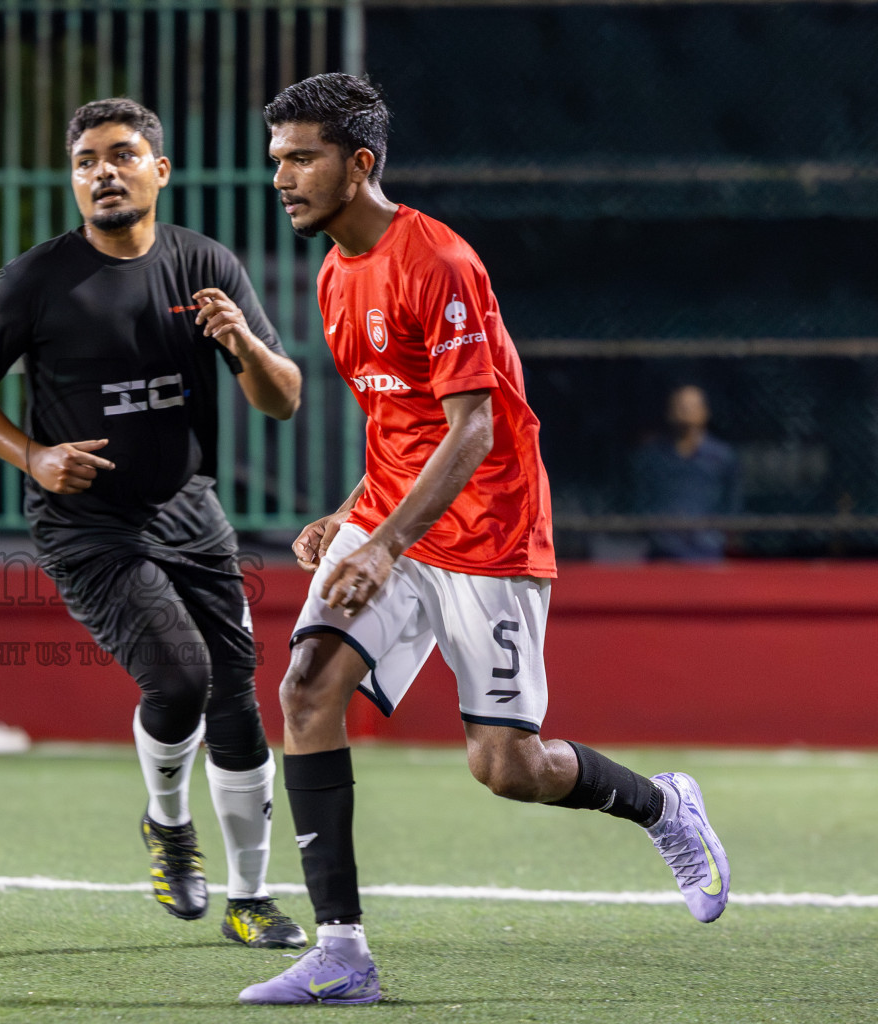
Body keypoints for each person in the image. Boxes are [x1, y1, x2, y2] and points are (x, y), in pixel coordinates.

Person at [239, 74, 731, 1005]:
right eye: (277, 160)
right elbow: (402, 425)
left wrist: (381, 544)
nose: (282, 178)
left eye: (302, 158)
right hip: (393, 521)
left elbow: (473, 429)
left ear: (360, 163)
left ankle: (663, 805)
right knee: (304, 689)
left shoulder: (439, 260)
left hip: (490, 531)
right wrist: (351, 515)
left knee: (507, 767)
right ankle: (342, 953)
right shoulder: (335, 274)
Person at [0, 99, 307, 948]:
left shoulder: (205, 265)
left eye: (122, 155)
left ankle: (250, 901)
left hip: (192, 516)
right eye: (86, 161)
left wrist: (244, 343)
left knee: (236, 697)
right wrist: (32, 455)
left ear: (159, 171)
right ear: (74, 181)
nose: (103, 172)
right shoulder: (35, 280)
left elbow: (281, 399)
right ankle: (169, 824)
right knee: (181, 679)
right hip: (88, 527)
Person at [631, 384, 741, 560]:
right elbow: (641, 498)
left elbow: (732, 502)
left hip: (707, 553)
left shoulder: (722, 456)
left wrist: (719, 536)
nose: (685, 411)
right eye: (680, 406)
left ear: (705, 412)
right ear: (669, 413)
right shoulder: (652, 456)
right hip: (663, 552)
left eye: (691, 406)